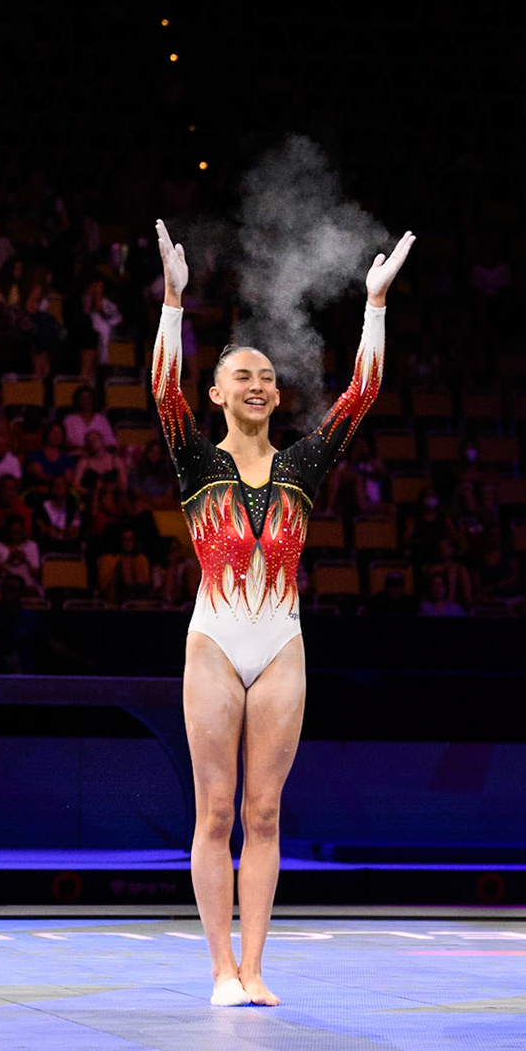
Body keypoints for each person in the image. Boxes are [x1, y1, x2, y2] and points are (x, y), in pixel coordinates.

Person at [152, 218, 415, 1005]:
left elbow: (361, 396)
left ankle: (255, 967)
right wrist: (172, 301)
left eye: (266, 374)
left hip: (280, 647)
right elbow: (162, 390)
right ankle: (218, 969)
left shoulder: (301, 464)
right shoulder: (196, 459)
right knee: (217, 808)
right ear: (218, 393)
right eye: (241, 375)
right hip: (213, 643)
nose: (258, 383)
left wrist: (372, 304)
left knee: (263, 810)